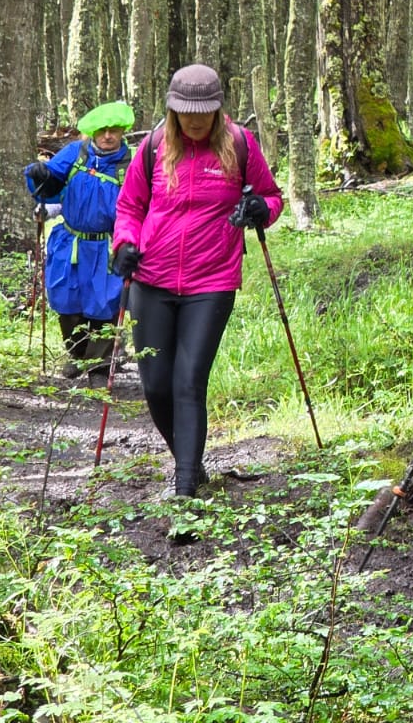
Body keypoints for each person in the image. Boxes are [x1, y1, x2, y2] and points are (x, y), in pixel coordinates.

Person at [111, 65, 283, 505]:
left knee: (188, 381)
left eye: (203, 112)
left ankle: (185, 488)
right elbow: (130, 206)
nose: (194, 120)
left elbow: (271, 195)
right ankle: (192, 463)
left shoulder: (240, 144)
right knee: (156, 386)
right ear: (173, 110)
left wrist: (260, 210)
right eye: (186, 112)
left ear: (217, 109)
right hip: (151, 278)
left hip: (212, 280)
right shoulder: (154, 146)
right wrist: (125, 244)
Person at [23, 101, 135, 383]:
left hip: (108, 246)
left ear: (122, 131)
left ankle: (99, 367)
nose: (107, 136)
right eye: (102, 130)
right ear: (92, 131)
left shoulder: (130, 165)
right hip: (70, 242)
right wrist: (42, 178)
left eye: (114, 130)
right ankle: (78, 354)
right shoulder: (76, 153)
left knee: (105, 305)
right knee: (66, 302)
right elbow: (52, 183)